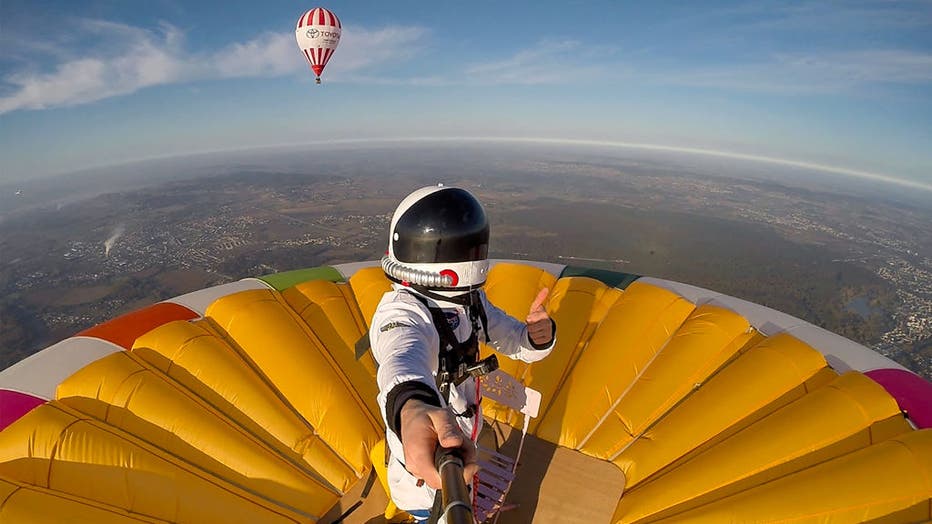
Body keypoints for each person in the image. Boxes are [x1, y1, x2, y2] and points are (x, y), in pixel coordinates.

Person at [370, 184, 556, 522]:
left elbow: (511, 339)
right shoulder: (402, 312)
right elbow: (400, 356)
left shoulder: (470, 303)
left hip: (461, 443)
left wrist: (535, 338)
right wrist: (412, 406)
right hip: (425, 465)